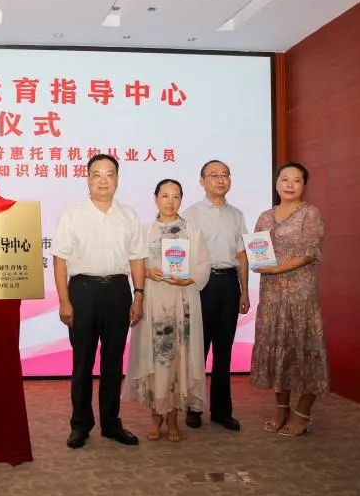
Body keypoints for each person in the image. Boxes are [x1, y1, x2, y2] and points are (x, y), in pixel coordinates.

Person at [53, 153, 147, 449]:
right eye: (97, 174)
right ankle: (80, 425)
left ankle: (111, 423)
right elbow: (60, 260)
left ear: (117, 179)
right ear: (88, 179)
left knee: (113, 362)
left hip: (118, 291)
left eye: (109, 174)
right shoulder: (72, 214)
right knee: (82, 363)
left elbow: (137, 258)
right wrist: (64, 301)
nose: (103, 180)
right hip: (82, 292)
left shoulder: (129, 215)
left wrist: (139, 296)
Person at [124, 179, 209, 442]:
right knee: (156, 359)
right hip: (153, 303)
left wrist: (189, 278)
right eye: (165, 196)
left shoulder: (192, 231)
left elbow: (204, 264)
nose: (170, 201)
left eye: (175, 196)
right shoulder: (144, 231)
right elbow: (132, 263)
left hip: (182, 302)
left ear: (181, 199)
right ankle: (155, 418)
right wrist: (147, 271)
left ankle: (173, 418)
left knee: (178, 359)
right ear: (155, 198)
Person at [251, 162, 328, 437]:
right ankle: (281, 408)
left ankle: (303, 413)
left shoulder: (310, 213)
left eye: (296, 180)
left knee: (304, 347)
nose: (290, 184)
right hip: (272, 295)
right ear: (277, 183)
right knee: (278, 348)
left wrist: (275, 269)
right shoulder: (265, 216)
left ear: (304, 185)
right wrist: (258, 262)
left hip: (300, 293)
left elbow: (310, 252)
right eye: (285, 179)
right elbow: (257, 250)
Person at [182, 160, 250, 431]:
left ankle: (222, 411)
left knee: (224, 351)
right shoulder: (191, 214)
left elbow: (241, 254)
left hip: (229, 284)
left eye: (225, 175)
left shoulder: (237, 215)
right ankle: (194, 408)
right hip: (202, 285)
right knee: (198, 349)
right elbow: (183, 254)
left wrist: (244, 291)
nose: (221, 180)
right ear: (202, 181)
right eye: (214, 175)